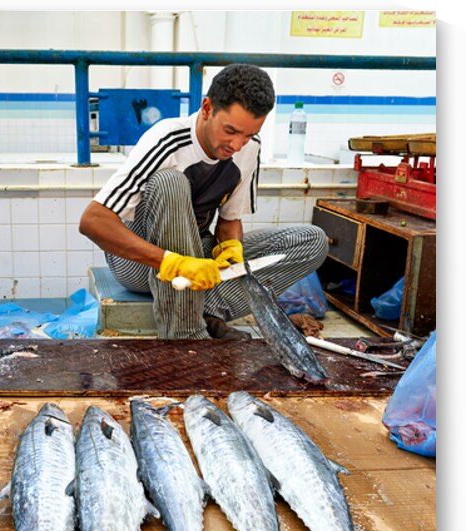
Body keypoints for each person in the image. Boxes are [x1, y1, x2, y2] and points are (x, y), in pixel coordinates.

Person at [79, 63, 328, 340]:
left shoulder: (249, 148)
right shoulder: (168, 140)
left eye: (247, 135)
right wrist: (173, 263)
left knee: (311, 240)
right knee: (169, 182)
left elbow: (230, 220)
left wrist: (230, 247)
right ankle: (186, 334)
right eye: (231, 131)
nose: (237, 145)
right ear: (207, 108)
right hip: (145, 263)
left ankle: (210, 310)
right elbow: (93, 221)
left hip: (197, 251)